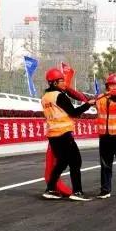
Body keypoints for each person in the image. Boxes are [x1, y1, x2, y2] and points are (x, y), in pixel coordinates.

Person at [42, 68, 93, 201]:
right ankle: (77, 192)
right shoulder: (60, 96)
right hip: (64, 134)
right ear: (54, 83)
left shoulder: (45, 97)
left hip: (53, 135)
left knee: (62, 162)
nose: (64, 83)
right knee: (76, 162)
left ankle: (50, 189)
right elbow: (74, 113)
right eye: (61, 81)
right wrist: (87, 105)